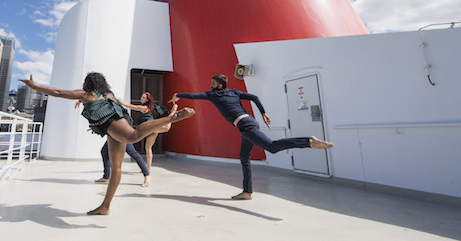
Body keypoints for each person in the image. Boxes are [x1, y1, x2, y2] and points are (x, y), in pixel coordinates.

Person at [19, 72, 195, 215]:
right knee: (116, 167)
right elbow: (111, 108)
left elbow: (58, 93)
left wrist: (35, 86)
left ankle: (172, 117)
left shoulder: (86, 94)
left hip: (113, 124)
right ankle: (105, 206)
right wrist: (97, 125)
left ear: (88, 83)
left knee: (133, 136)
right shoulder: (108, 94)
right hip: (115, 125)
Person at [170, 74, 333, 200]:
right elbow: (254, 97)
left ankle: (308, 141)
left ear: (219, 85)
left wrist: (178, 94)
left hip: (245, 126)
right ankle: (247, 192)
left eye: (213, 83)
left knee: (272, 146)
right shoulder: (233, 92)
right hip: (249, 122)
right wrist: (263, 113)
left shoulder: (214, 95)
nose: (210, 85)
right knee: (244, 156)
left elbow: (194, 96)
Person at [117, 93, 175, 176]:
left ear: (147, 100)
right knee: (148, 148)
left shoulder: (143, 107)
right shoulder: (150, 108)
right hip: (150, 130)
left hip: (150, 127)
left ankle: (173, 114)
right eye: (141, 97)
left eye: (143, 97)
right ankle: (148, 168)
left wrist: (121, 103)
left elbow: (132, 107)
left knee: (166, 128)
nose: (141, 98)